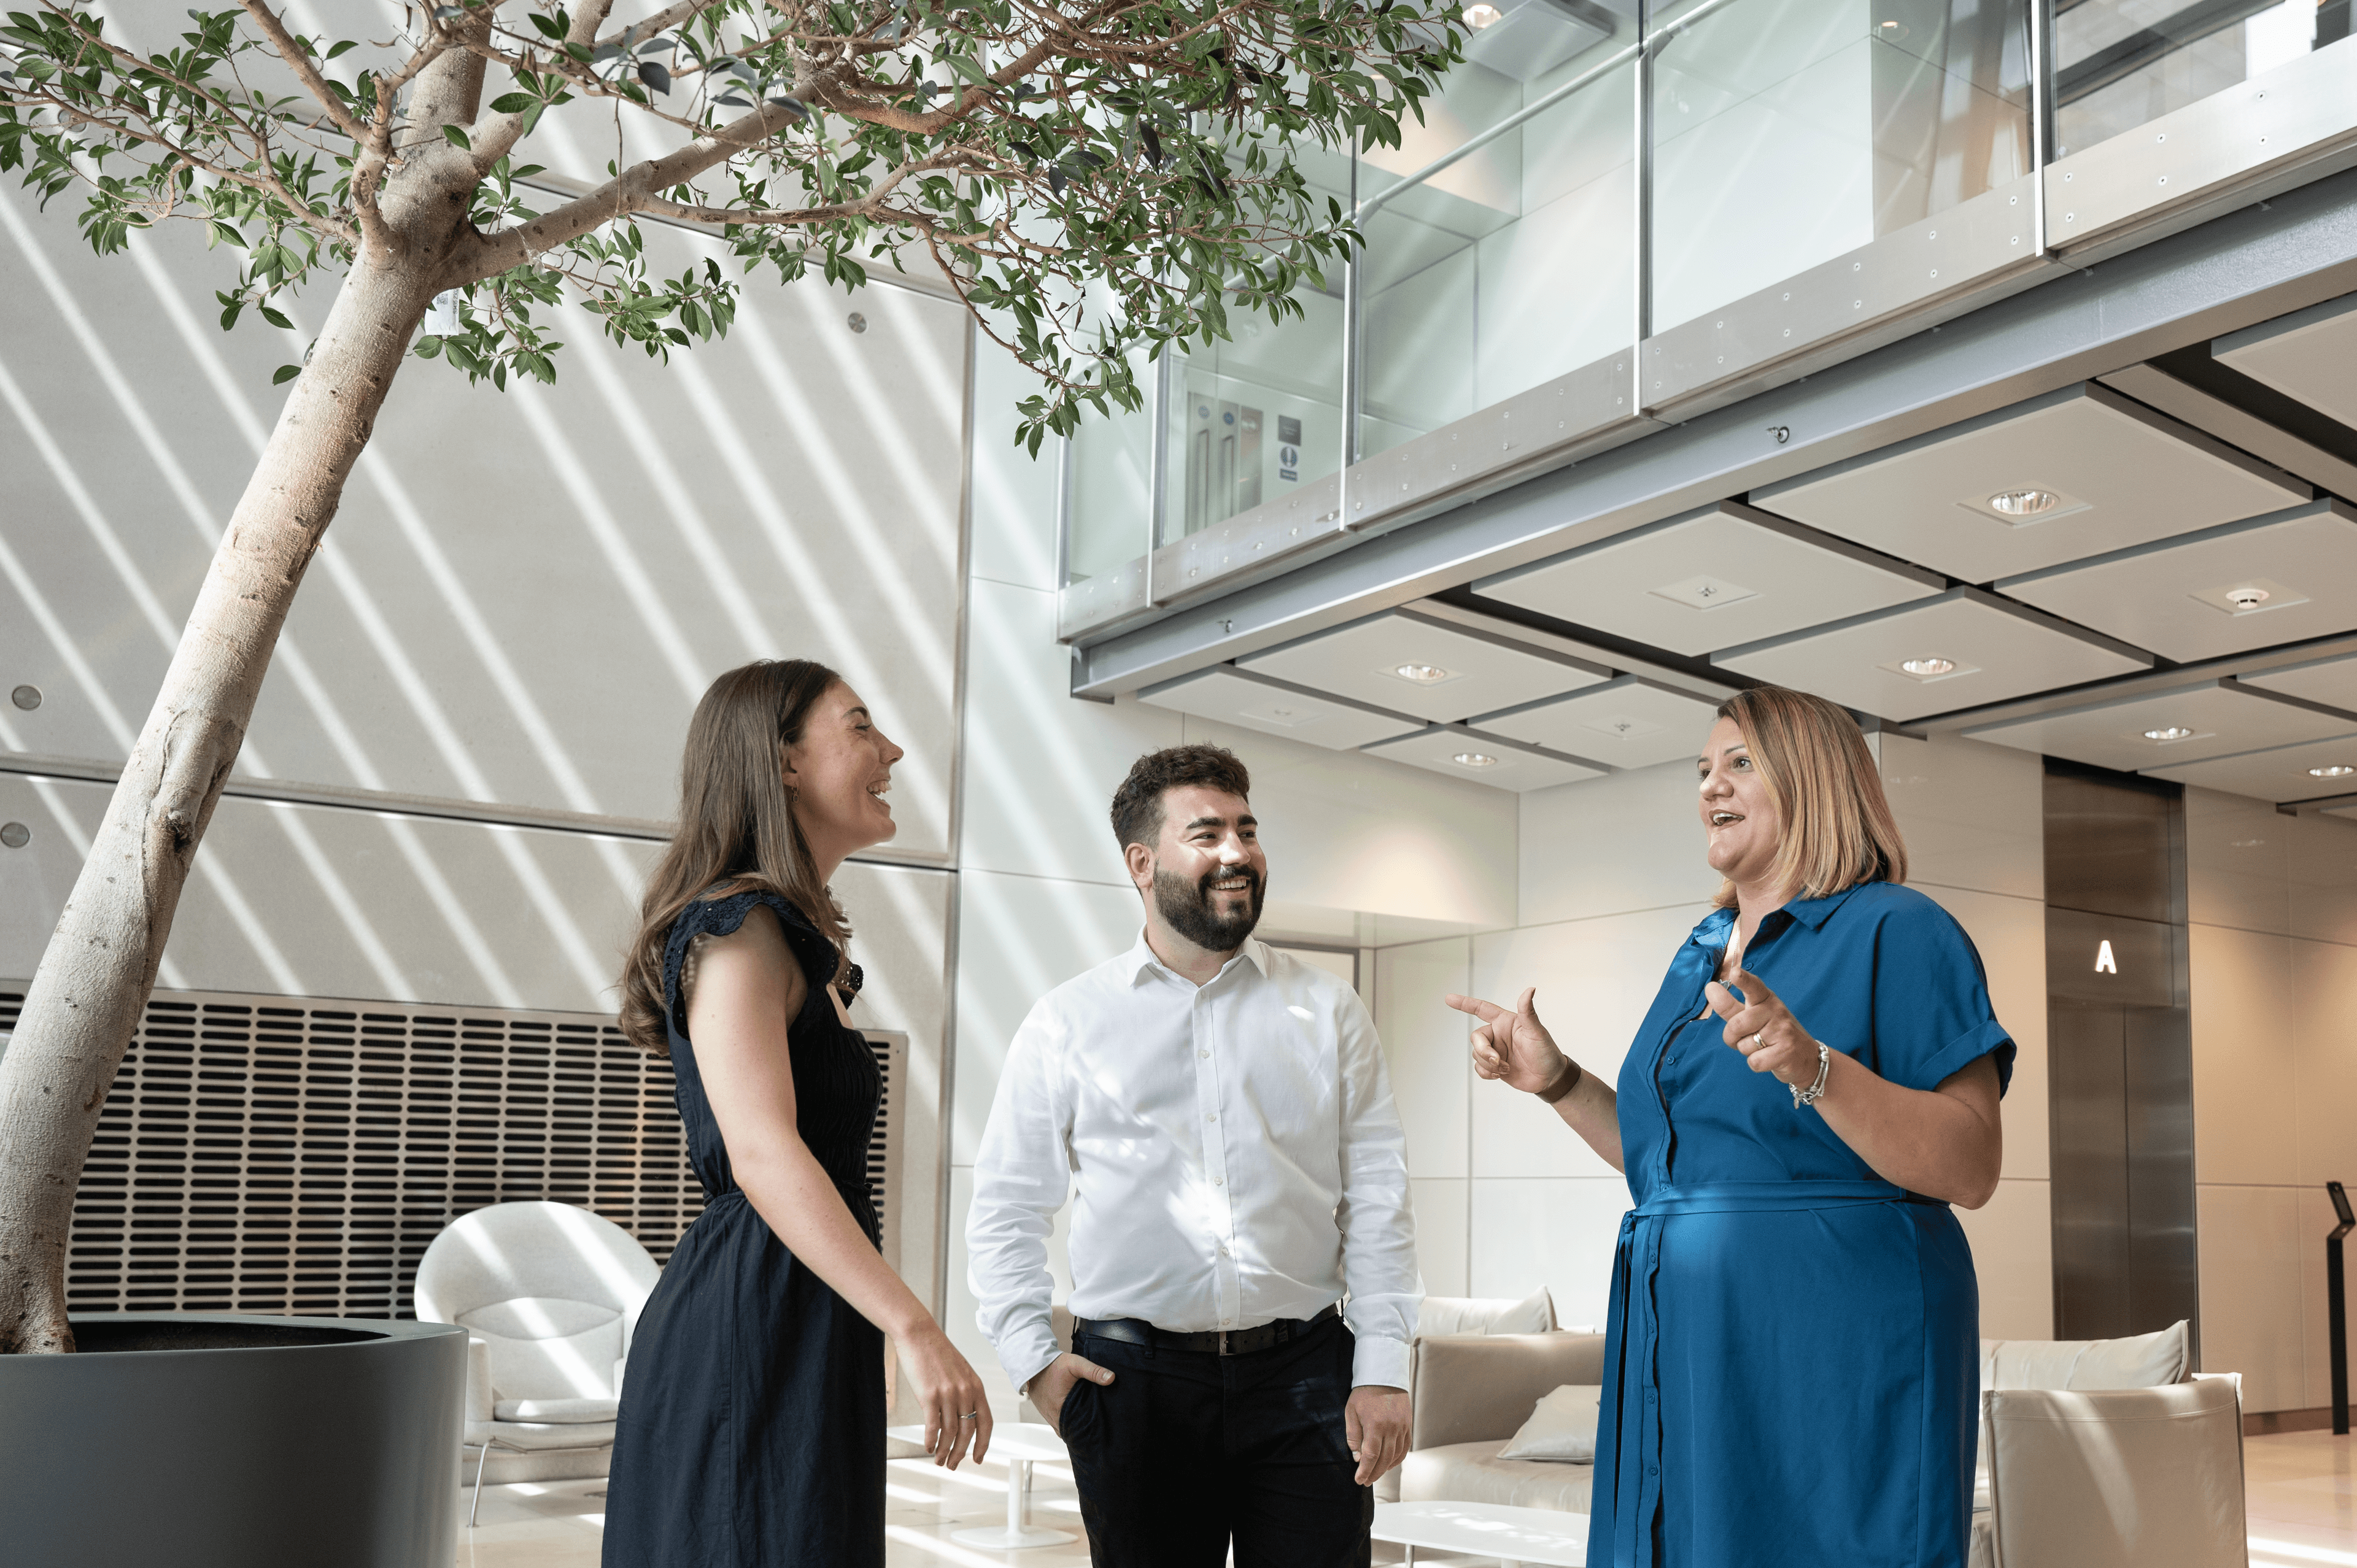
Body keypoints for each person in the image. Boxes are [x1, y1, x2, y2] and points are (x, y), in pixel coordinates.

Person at [1447, 686, 2009, 1568]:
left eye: (1740, 763)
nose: (1712, 784)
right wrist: (1556, 1081)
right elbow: (1669, 1165)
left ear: (1813, 780)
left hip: (1832, 1343)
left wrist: (1813, 1066)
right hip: (1690, 1343)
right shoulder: (1702, 949)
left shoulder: (1900, 929)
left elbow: (1973, 1163)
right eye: (1704, 769)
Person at [967, 744, 1420, 1568]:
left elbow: (1380, 1200)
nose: (1237, 852)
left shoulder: (1329, 1010)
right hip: (1132, 1388)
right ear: (1142, 863)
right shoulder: (1068, 1023)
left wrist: (1384, 1368)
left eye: (1247, 829)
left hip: (1308, 1377)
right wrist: (1035, 1362)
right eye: (1206, 832)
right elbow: (1006, 1205)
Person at [605, 659, 991, 1568]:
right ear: (781, 763)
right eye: (861, 726)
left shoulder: (792, 937)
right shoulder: (739, 927)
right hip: (757, 1325)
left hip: (803, 1315)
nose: (892, 749)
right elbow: (763, 1151)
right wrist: (914, 1324)